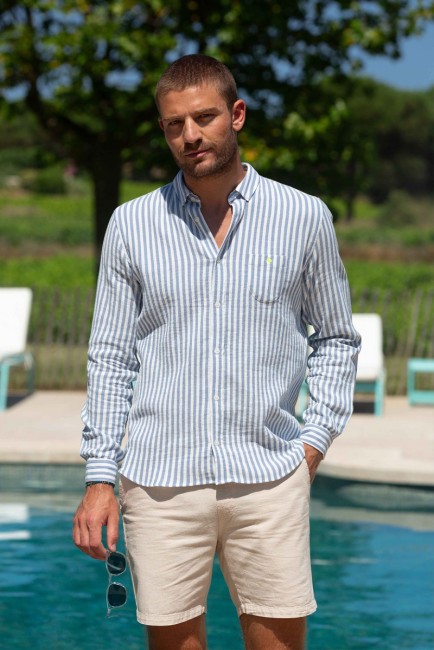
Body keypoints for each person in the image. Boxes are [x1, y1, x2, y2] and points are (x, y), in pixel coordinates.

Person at [73, 54, 360, 650]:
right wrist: (100, 477)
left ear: (237, 115)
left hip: (269, 479)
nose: (190, 135)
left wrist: (312, 445)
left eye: (204, 117)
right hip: (159, 483)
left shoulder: (303, 216)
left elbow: (335, 338)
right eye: (174, 124)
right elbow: (111, 357)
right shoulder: (131, 225)